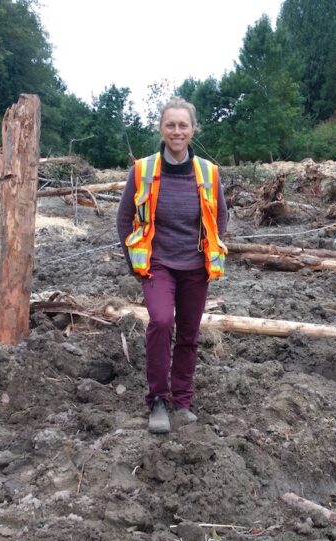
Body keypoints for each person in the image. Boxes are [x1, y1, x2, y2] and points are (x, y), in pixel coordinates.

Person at [116, 97, 228, 434]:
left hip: (195, 267)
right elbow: (124, 219)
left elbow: (221, 217)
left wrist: (209, 250)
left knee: (189, 335)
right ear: (161, 129)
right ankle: (158, 401)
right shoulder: (143, 170)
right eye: (170, 125)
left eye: (183, 125)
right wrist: (134, 263)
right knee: (162, 322)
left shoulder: (208, 172)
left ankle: (182, 400)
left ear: (193, 129)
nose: (176, 131)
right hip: (158, 264)